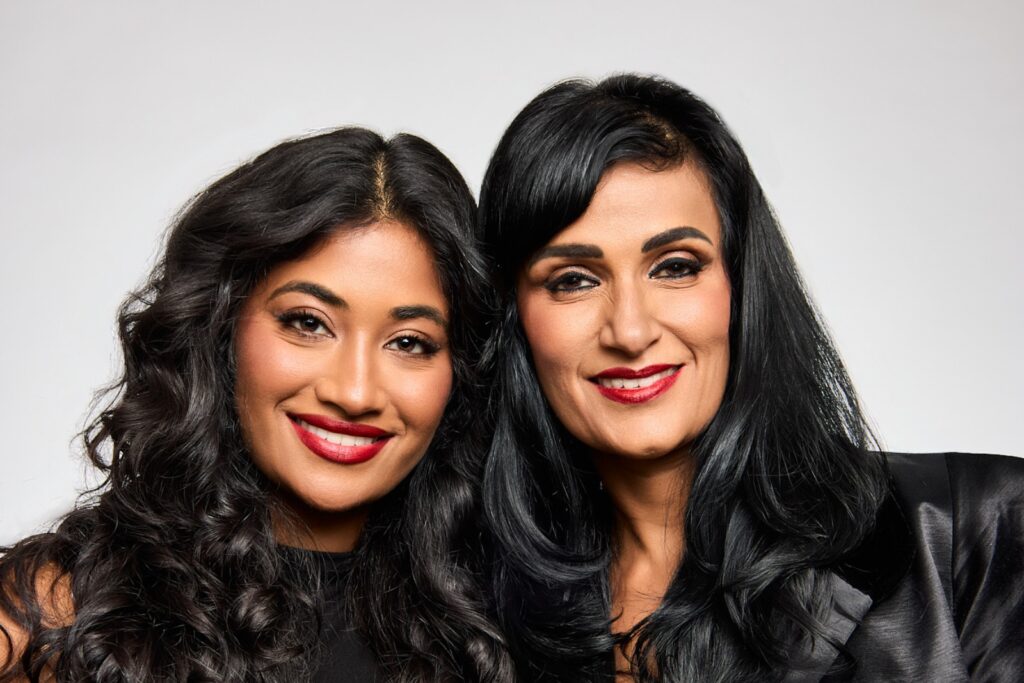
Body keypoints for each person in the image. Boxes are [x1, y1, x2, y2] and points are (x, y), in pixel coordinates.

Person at [477, 74, 1024, 682]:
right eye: (573, 279)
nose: (629, 331)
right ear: (515, 318)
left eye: (675, 267)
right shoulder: (476, 625)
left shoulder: (976, 530)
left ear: (740, 286)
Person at [0, 127, 511, 682]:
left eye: (410, 342)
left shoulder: (497, 628)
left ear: (458, 373)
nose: (355, 392)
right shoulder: (62, 613)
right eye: (308, 323)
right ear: (222, 331)